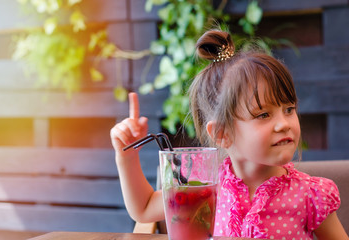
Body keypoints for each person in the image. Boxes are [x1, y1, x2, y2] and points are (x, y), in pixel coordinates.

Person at [110, 29, 348, 239]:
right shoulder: (207, 188)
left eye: (288, 109)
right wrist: (127, 157)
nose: (283, 124)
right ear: (223, 133)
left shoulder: (310, 194)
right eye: (264, 115)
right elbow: (144, 208)